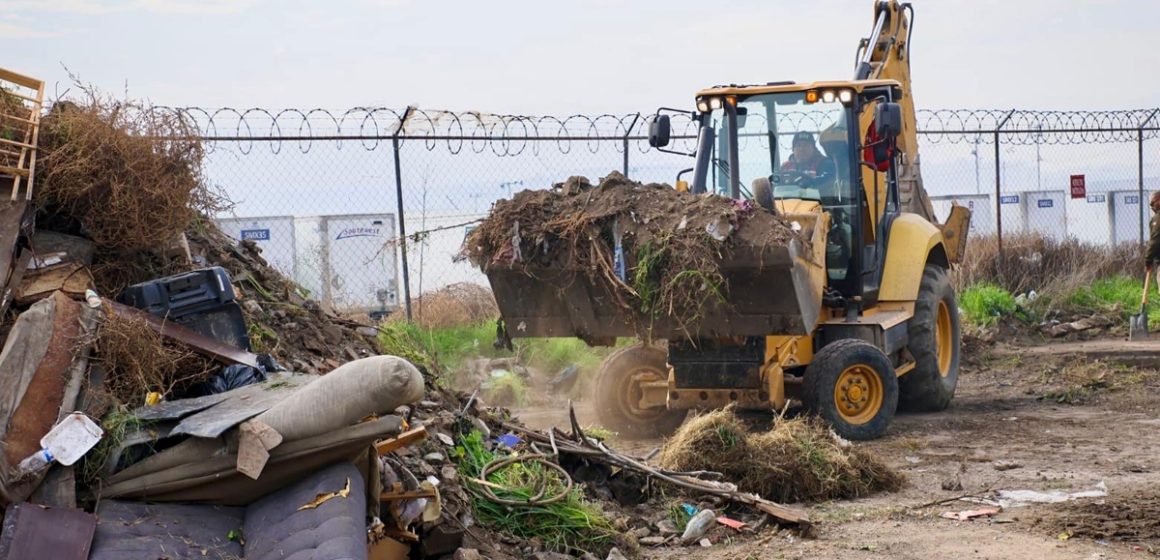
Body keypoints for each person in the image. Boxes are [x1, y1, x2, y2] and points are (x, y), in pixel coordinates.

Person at [1147, 191, 1160, 272]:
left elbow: (1155, 241)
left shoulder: (1158, 218)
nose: (1151, 207)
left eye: (1152, 203)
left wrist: (1148, 259)